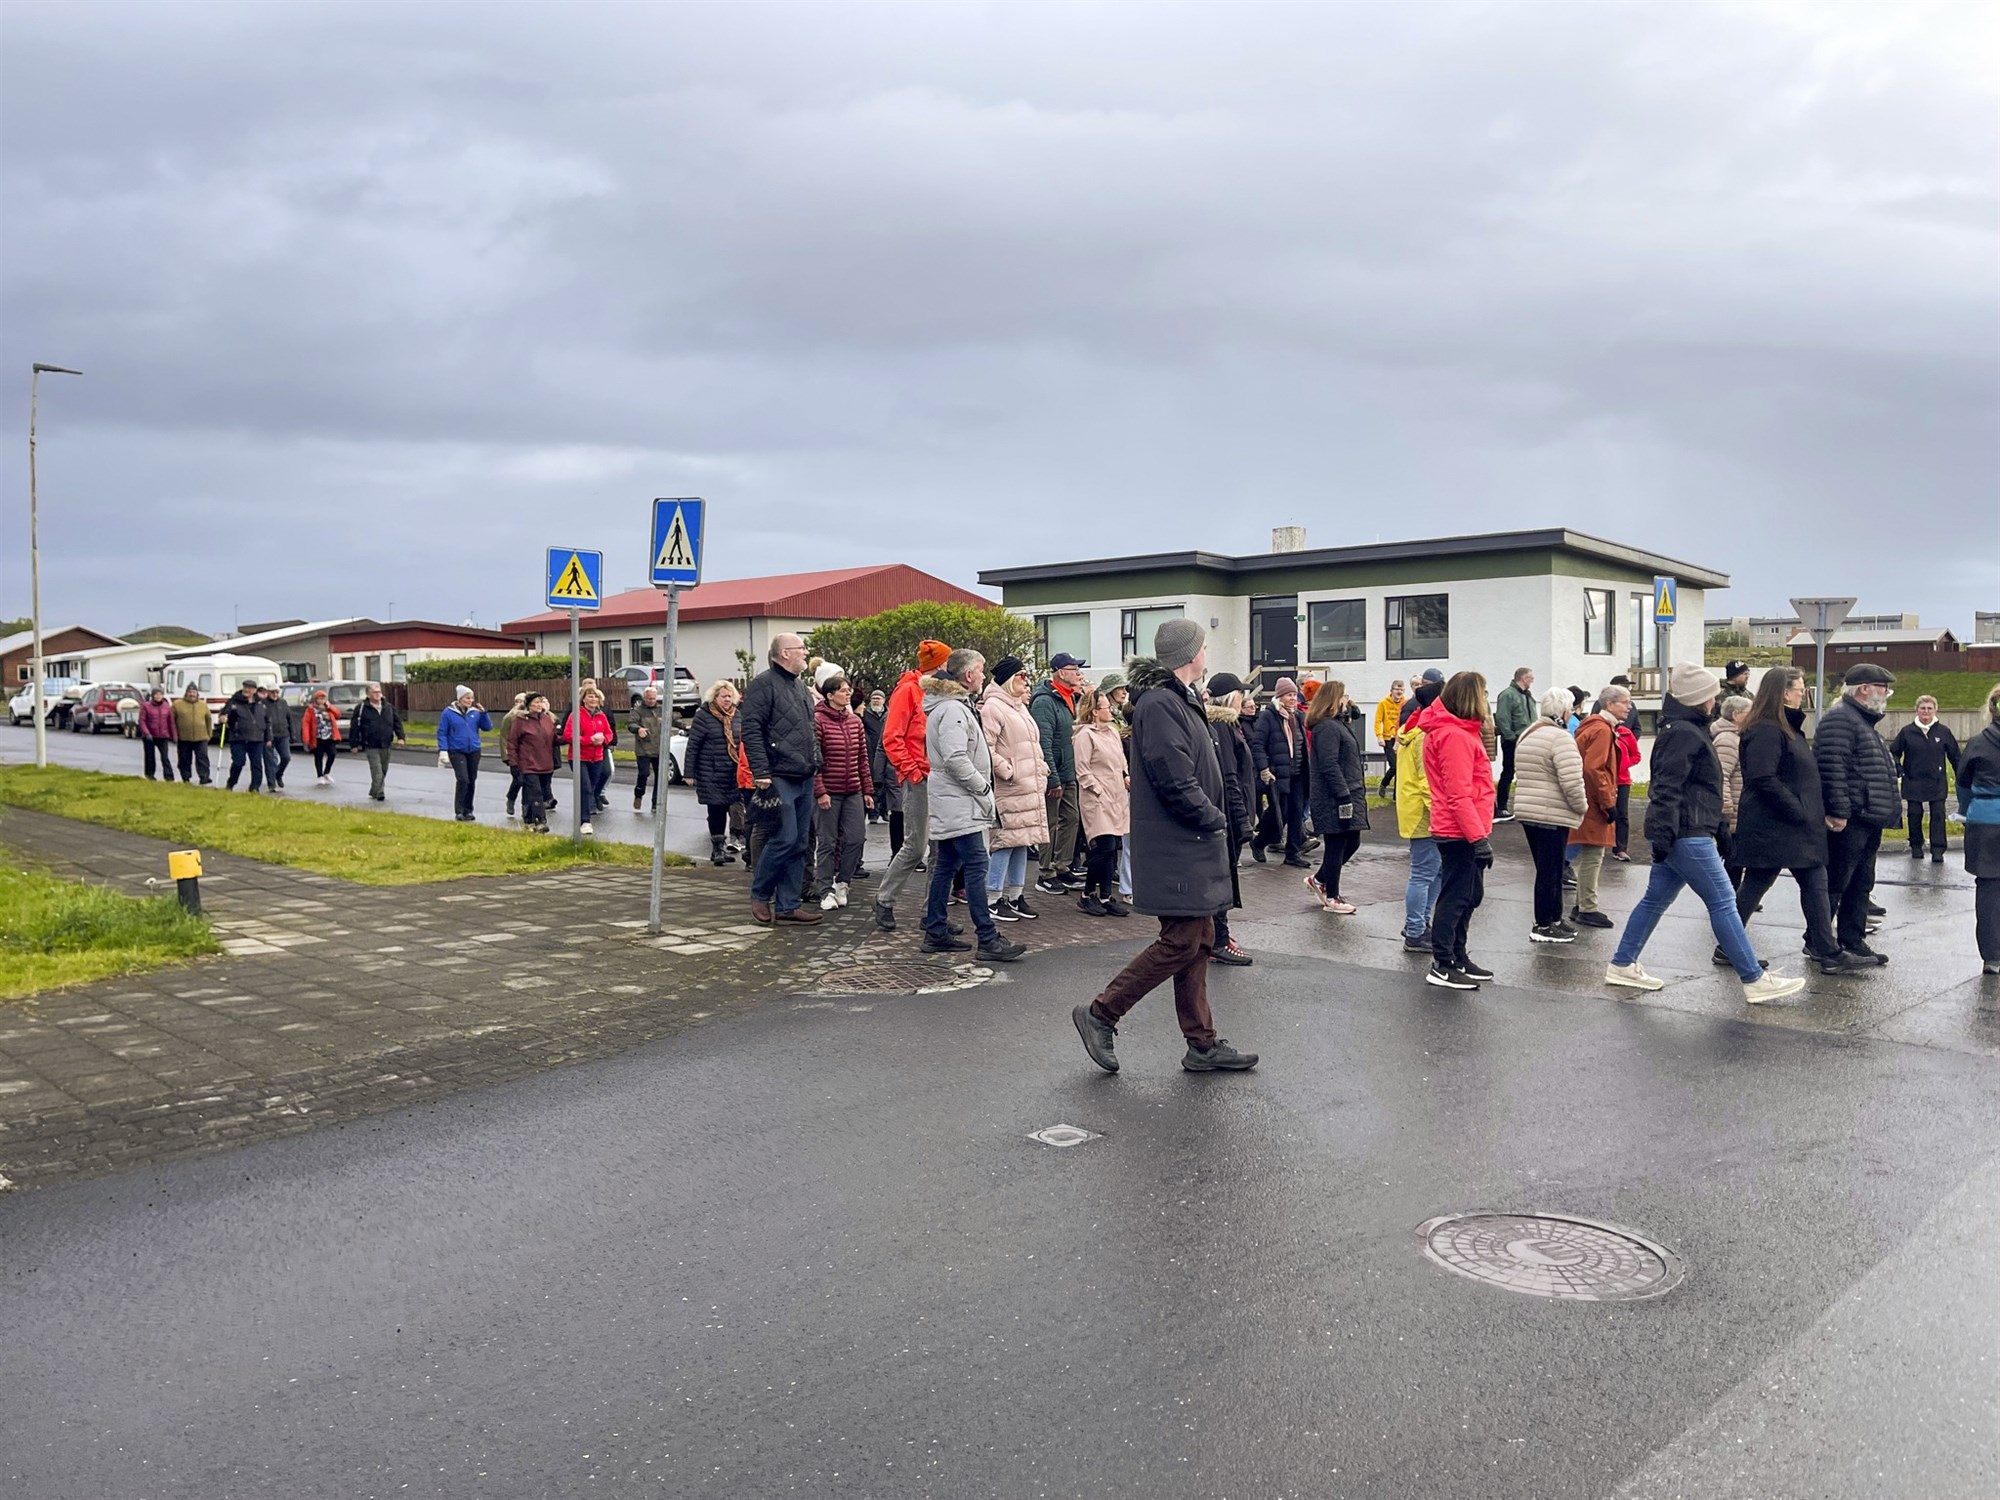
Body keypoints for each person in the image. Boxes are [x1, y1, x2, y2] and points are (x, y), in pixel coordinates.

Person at [1071, 619, 1257, 1074]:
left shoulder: (1180, 699)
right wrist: (1211, 817)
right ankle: (1101, 1014)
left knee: (1200, 940)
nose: (1207, 651)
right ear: (1190, 654)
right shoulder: (1160, 703)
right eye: (1204, 646)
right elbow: (1173, 776)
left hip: (1193, 843)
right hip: (1180, 844)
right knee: (1181, 941)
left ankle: (1202, 1043)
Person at [1605, 664, 1808, 1003]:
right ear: (1698, 699)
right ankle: (1754, 979)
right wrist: (1667, 836)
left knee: (1656, 899)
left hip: (1686, 830)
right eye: (1710, 694)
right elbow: (1667, 788)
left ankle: (1622, 963)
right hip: (1686, 833)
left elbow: (1694, 789)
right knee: (1724, 901)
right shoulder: (1685, 732)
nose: (1716, 699)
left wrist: (1712, 830)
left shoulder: (1686, 729)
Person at [1732, 667, 1856, 975]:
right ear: (1784, 693)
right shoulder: (1767, 729)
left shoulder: (1786, 727)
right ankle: (1729, 945)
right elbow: (1763, 777)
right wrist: (1799, 810)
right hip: (1777, 825)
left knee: (1813, 880)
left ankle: (1826, 949)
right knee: (1758, 883)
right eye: (1801, 690)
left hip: (1793, 827)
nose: (1803, 695)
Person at [920, 649, 1023, 962]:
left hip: (954, 800)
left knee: (948, 864)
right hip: (959, 800)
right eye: (980, 670)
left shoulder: (951, 706)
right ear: (967, 675)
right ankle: (988, 938)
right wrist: (982, 787)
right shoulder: (952, 709)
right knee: (977, 865)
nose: (983, 675)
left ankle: (936, 930)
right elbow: (954, 757)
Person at [1815, 663, 1902, 965]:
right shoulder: (1841, 720)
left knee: (1861, 882)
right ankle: (1818, 942)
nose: (1886, 695)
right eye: (1883, 689)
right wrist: (1838, 811)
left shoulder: (1861, 721)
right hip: (1850, 818)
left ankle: (1852, 940)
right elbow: (1831, 769)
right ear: (1865, 689)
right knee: (1836, 882)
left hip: (1867, 817)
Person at [1419, 672, 1497, 990]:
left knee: (1469, 896)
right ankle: (1443, 962)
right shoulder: (1453, 735)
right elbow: (1458, 793)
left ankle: (1457, 954)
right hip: (1458, 829)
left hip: (1465, 827)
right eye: (1484, 692)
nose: (1487, 698)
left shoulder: (1460, 732)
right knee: (1457, 896)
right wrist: (1477, 839)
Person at [741, 633, 822, 926]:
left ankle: (788, 905)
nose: (806, 652)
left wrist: (816, 761)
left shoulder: (799, 686)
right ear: (784, 653)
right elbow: (751, 730)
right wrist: (761, 771)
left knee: (800, 842)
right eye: (801, 648)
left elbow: (809, 729)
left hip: (804, 773)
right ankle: (761, 894)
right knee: (784, 838)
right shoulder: (763, 685)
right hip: (778, 774)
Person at [873, 639, 953, 932]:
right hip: (920, 778)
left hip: (937, 777)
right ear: (940, 664)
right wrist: (913, 772)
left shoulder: (935, 690)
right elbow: (891, 738)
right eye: (948, 661)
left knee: (939, 847)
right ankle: (884, 899)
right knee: (916, 846)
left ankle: (932, 914)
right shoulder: (908, 691)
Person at [1513, 688, 1587, 943]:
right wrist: (1582, 807)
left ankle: (1554, 918)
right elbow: (1572, 781)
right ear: (1565, 712)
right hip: (1552, 813)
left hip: (1528, 809)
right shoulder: (1561, 738)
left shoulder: (1528, 733)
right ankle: (1544, 923)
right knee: (1550, 871)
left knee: (1548, 869)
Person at [979, 656, 1049, 922]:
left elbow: (1033, 744)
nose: (1026, 681)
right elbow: (987, 747)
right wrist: (1007, 771)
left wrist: (1041, 769)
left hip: (1029, 785)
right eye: (1022, 675)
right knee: (1005, 842)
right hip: (1010, 787)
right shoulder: (994, 708)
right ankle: (993, 897)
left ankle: (1016, 894)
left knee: (1023, 841)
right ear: (1009, 678)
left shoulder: (1020, 707)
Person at [1204, 672, 1256, 966]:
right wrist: (1241, 819)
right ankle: (1219, 940)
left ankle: (1217, 935)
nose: (1244, 699)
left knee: (1224, 874)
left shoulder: (1227, 725)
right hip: (1228, 813)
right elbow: (1229, 776)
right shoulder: (1222, 726)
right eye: (1240, 694)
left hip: (1231, 810)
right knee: (1223, 876)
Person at [1304, 678, 1367, 914]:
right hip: (1335, 796)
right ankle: (1332, 895)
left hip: (1347, 791)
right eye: (1343, 696)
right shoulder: (1327, 727)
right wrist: (1342, 793)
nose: (1347, 700)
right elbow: (1329, 764)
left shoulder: (1337, 724)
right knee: (1337, 844)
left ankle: (1320, 879)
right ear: (1333, 699)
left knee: (1352, 841)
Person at [812, 671, 873, 910]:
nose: (848, 693)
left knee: (855, 839)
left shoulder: (855, 721)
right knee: (827, 842)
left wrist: (867, 790)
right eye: (843, 690)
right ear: (830, 695)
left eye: (848, 690)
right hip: (829, 791)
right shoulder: (818, 720)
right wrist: (820, 791)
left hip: (853, 791)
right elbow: (814, 759)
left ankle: (843, 882)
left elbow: (862, 760)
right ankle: (825, 890)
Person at [1567, 684, 1625, 930]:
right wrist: (1608, 802)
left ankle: (1582, 904)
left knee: (1591, 853)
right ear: (1610, 704)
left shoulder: (1592, 726)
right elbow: (1594, 768)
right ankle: (1587, 907)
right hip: (1594, 801)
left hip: (1587, 798)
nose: (1630, 706)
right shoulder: (1602, 730)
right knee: (1594, 854)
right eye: (1625, 702)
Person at [1031, 653, 1086, 895]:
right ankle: (1045, 872)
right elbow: (1045, 742)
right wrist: (1052, 777)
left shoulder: (1067, 698)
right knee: (1050, 822)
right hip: (1055, 772)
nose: (1078, 673)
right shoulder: (1045, 701)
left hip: (1068, 770)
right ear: (1060, 673)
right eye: (1073, 669)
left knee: (1071, 818)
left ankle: (1062, 865)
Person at [1073, 688, 1131, 917]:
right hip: (1096, 798)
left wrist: (1125, 775)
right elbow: (1083, 770)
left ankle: (1106, 895)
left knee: (1113, 847)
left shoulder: (1112, 733)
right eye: (1107, 707)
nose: (1112, 711)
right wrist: (1098, 790)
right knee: (1103, 847)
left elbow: (1120, 760)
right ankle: (1088, 894)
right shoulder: (1084, 735)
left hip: (1116, 795)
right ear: (1095, 712)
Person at [1395, 675, 1442, 954]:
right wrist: (1439, 816)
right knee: (1424, 873)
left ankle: (1419, 924)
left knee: (1433, 871)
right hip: (1424, 814)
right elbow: (1428, 780)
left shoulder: (1414, 728)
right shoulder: (1425, 734)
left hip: (1417, 810)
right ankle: (1415, 930)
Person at [1956, 683, 2000, 975]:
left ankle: (1992, 956)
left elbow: (1962, 784)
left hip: (1985, 820)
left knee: (1988, 887)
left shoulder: (1977, 742)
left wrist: (1965, 811)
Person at [1892, 695, 1960, 864]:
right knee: (1914, 815)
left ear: (1935, 710)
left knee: (1938, 815)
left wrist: (1962, 776)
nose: (1926, 712)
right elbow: (1893, 752)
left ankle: (1938, 850)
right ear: (1917, 710)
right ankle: (1916, 846)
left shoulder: (1943, 732)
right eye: (1923, 708)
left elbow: (1956, 757)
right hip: (1913, 780)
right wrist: (1898, 769)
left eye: (1929, 708)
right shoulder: (1907, 732)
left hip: (1936, 782)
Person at [1250, 676, 1309, 867]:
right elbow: (1257, 744)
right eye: (1289, 695)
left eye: (1294, 694)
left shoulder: (1298, 716)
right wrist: (1264, 769)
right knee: (1279, 814)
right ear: (1280, 696)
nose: (1293, 698)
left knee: (1296, 813)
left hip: (1298, 773)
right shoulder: (1268, 716)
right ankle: (1258, 842)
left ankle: (1293, 853)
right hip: (1278, 774)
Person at [685, 681, 743, 866]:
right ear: (715, 697)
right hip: (710, 771)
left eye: (729, 696)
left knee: (734, 807)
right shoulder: (704, 716)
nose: (727, 699)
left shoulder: (737, 715)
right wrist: (689, 773)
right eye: (723, 696)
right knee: (716, 810)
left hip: (733, 771)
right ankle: (717, 849)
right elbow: (693, 745)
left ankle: (729, 844)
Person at [436, 686, 491, 822]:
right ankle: (459, 811)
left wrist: (484, 714)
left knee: (471, 780)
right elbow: (442, 732)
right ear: (460, 698)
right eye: (467, 698)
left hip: (474, 750)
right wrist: (443, 750)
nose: (470, 700)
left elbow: (487, 727)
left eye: (471, 698)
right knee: (463, 779)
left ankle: (468, 810)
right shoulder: (448, 713)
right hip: (457, 750)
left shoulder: (475, 713)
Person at [505, 694, 560, 831]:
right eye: (536, 702)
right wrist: (513, 763)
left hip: (545, 763)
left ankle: (528, 819)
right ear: (529, 705)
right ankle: (540, 821)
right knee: (536, 793)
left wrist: (570, 737)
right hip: (529, 764)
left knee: (535, 793)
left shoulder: (547, 719)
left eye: (541, 702)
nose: (539, 705)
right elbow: (512, 743)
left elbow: (554, 740)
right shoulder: (520, 721)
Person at [1713, 694, 1750, 889]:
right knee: (1733, 857)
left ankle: (1735, 895)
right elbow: (1722, 776)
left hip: (1738, 807)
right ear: (1736, 715)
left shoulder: (1736, 737)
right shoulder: (1727, 740)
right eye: (1748, 713)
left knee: (1736, 857)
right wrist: (1726, 808)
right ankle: (1730, 896)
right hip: (1733, 810)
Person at [347, 683, 405, 801]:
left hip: (386, 743)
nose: (377, 694)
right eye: (374, 692)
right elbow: (354, 727)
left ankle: (374, 790)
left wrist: (401, 736)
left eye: (379, 692)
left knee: (383, 769)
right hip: (370, 745)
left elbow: (397, 722)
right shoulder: (362, 708)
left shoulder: (388, 707)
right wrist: (354, 744)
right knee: (377, 770)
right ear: (368, 694)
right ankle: (379, 792)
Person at [1492, 666, 1536, 822]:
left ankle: (1526, 805)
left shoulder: (1527, 696)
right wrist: (1511, 737)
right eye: (1531, 678)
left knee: (1528, 773)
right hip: (1514, 740)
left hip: (1528, 739)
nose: (1532, 681)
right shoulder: (1508, 695)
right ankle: (1502, 806)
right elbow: (1503, 718)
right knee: (1508, 772)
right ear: (1524, 679)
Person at [221, 682, 266, 793]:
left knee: (257, 765)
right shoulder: (234, 701)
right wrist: (223, 717)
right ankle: (231, 783)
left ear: (255, 690)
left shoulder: (260, 703)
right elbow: (224, 713)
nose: (247, 690)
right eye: (245, 687)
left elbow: (267, 720)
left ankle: (254, 787)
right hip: (238, 738)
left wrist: (268, 737)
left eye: (250, 688)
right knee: (238, 762)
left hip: (256, 738)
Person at [629, 684, 666, 814]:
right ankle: (639, 793)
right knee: (644, 773)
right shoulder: (638, 711)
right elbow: (631, 724)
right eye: (649, 698)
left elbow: (673, 720)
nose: (651, 701)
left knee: (660, 777)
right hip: (643, 749)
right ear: (644, 698)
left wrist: (685, 727)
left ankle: (656, 803)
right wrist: (638, 729)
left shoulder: (662, 710)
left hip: (659, 748)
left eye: (653, 698)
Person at [172, 685, 213, 785]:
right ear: (186, 693)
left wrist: (209, 734)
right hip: (183, 737)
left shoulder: (203, 704)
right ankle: (186, 778)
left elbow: (208, 719)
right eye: (190, 692)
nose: (192, 694)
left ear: (197, 693)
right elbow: (171, 721)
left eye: (194, 692)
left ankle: (204, 777)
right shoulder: (177, 704)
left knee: (202, 758)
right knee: (184, 759)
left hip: (201, 737)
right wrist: (174, 734)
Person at [862, 689, 891, 826]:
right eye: (874, 698)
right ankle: (873, 813)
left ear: (884, 700)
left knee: (886, 781)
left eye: (879, 698)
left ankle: (884, 811)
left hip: (885, 752)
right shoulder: (865, 715)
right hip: (870, 751)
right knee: (873, 781)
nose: (876, 701)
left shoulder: (889, 715)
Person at [301, 688, 342, 785]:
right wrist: (306, 738)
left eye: (323, 699)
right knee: (318, 756)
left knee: (332, 754)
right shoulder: (311, 710)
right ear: (315, 700)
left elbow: (338, 714)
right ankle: (319, 775)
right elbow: (306, 723)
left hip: (329, 736)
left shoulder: (329, 708)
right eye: (319, 699)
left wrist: (330, 707)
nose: (321, 701)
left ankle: (326, 772)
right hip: (317, 737)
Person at [498, 692, 529, 816]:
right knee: (518, 780)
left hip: (527, 754)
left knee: (528, 781)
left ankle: (526, 808)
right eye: (518, 701)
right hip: (514, 754)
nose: (520, 704)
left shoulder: (529, 717)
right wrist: (506, 756)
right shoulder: (509, 718)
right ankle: (511, 798)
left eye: (523, 701)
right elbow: (504, 737)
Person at [138, 686, 177, 782]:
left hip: (163, 736)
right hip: (150, 736)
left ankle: (169, 776)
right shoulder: (146, 706)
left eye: (160, 694)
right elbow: (142, 721)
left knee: (165, 757)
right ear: (153, 696)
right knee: (150, 757)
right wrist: (146, 733)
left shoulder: (166, 706)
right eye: (156, 694)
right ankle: (150, 775)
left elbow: (171, 722)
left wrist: (174, 736)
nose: (158, 696)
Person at [1374, 680, 1406, 797]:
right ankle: (1384, 784)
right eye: (1397, 689)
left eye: (1401, 690)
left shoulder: (1405, 703)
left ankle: (1396, 796)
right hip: (1388, 738)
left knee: (1400, 767)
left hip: (1400, 737)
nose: (1399, 692)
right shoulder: (1383, 703)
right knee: (1394, 765)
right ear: (1391, 691)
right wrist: (1379, 736)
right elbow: (1378, 721)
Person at [260, 684, 292, 791]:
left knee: (286, 757)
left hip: (283, 734)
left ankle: (278, 774)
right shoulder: (263, 704)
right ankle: (271, 784)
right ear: (268, 692)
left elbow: (289, 718)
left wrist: (293, 734)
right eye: (272, 692)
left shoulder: (283, 703)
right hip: (268, 736)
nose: (275, 694)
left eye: (276, 692)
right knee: (269, 761)